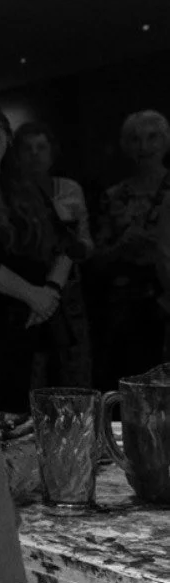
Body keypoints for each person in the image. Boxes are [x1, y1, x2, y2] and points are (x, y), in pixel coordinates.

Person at [0, 107, 87, 412]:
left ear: (8, 137)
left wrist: (51, 293)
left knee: (33, 402)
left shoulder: (27, 188)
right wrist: (33, 296)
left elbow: (66, 243)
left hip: (34, 316)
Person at [91, 109, 170, 386]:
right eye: (135, 139)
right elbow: (96, 259)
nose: (144, 147)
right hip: (125, 308)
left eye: (153, 138)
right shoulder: (113, 196)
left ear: (166, 142)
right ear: (125, 146)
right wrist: (121, 248)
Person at [12, 121, 93, 388]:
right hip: (28, 286)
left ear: (51, 152)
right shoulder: (10, 191)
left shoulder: (68, 188)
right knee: (33, 370)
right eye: (27, 148)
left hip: (67, 287)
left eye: (41, 147)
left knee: (73, 366)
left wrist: (71, 238)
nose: (35, 154)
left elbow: (85, 242)